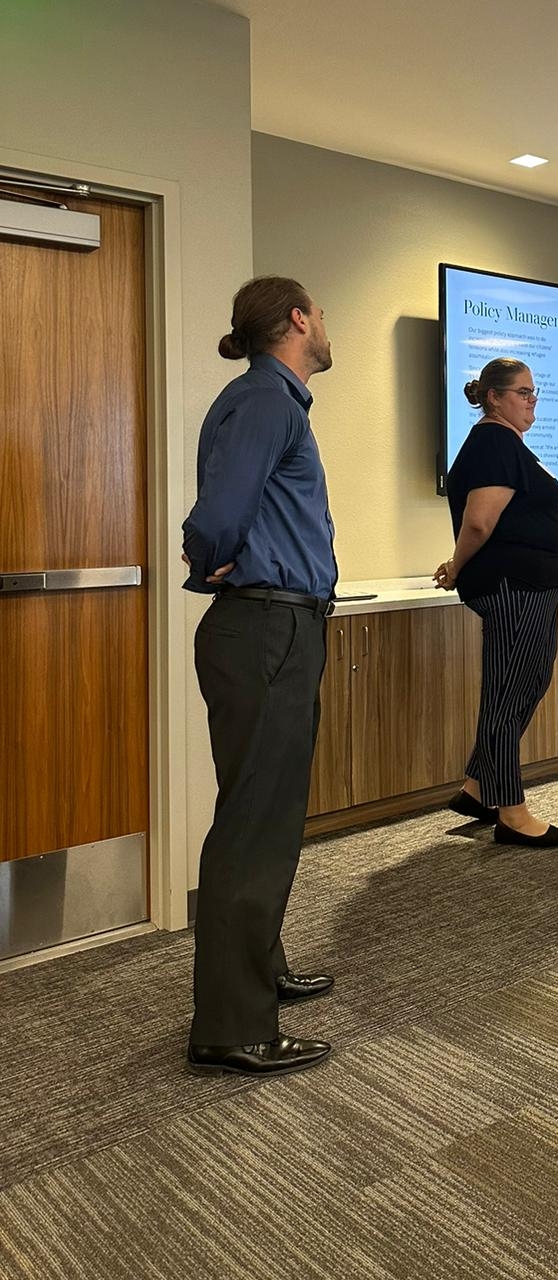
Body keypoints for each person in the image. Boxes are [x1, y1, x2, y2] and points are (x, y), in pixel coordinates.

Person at [181, 276, 338, 1077]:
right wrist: (208, 557)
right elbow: (216, 517)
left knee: (267, 814)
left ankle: (261, 966)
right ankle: (234, 1026)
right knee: (254, 824)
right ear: (298, 319)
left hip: (278, 626)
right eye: (321, 314)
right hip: (267, 627)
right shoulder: (267, 401)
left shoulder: (269, 401)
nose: (326, 327)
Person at [434, 358, 558, 848]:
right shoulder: (494, 441)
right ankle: (511, 812)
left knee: (522, 685)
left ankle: (478, 788)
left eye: (535, 392)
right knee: (510, 693)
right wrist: (456, 567)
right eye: (522, 392)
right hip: (513, 585)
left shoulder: (505, 443)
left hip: (526, 584)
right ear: (493, 397)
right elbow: (478, 522)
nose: (532, 401)